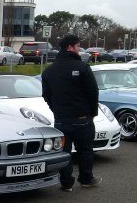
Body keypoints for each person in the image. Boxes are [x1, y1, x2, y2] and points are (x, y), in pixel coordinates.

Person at [41, 34, 101, 192]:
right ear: (70, 47)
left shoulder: (48, 71)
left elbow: (46, 95)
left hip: (61, 119)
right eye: (78, 46)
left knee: (64, 151)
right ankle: (86, 179)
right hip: (83, 119)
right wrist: (92, 113)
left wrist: (56, 110)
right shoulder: (82, 67)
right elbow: (93, 92)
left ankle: (66, 183)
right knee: (85, 150)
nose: (79, 49)